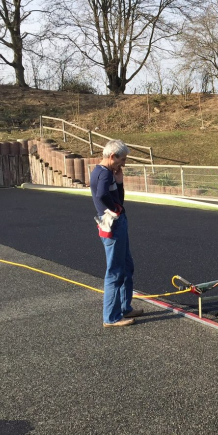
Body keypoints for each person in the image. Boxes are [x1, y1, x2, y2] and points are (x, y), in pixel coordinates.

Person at [90, 140, 143, 327]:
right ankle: (111, 318)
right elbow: (101, 195)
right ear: (112, 156)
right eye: (122, 159)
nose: (124, 164)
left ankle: (124, 307)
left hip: (117, 222)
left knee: (127, 266)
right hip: (113, 225)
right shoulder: (103, 175)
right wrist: (115, 209)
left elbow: (118, 198)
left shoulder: (107, 173)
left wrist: (119, 183)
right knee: (115, 271)